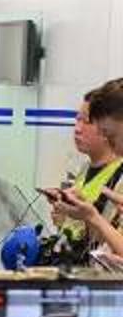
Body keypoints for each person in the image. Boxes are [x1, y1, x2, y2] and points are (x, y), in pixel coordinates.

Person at [46, 90, 123, 248]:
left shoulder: (119, 177)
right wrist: (65, 218)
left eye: (86, 122)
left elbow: (112, 242)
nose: (77, 129)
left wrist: (90, 217)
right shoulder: (84, 168)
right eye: (77, 120)